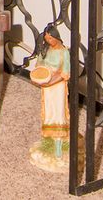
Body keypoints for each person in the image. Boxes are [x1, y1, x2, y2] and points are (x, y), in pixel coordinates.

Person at [32, 24, 70, 160]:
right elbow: (39, 65)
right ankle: (48, 142)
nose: (49, 41)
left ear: (56, 37)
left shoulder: (64, 52)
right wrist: (39, 76)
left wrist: (52, 81)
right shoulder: (45, 50)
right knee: (48, 112)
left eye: (51, 38)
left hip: (57, 86)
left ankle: (59, 145)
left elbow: (65, 73)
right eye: (47, 39)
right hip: (46, 84)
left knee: (58, 113)